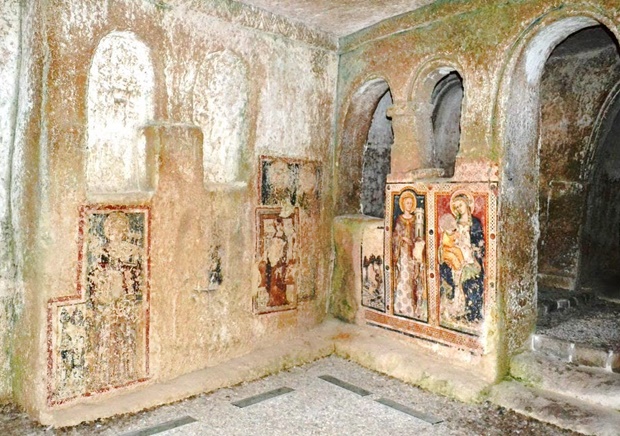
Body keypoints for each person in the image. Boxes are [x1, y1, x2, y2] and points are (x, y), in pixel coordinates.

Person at [439, 190, 484, 323]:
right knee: (456, 282)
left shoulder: (474, 223)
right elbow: (448, 238)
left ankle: (472, 312)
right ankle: (458, 310)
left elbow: (478, 241)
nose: (458, 208)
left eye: (460, 205)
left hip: (470, 256)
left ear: (467, 204)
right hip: (457, 256)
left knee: (471, 282)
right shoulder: (455, 223)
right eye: (456, 206)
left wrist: (476, 255)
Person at [392, 190, 425, 318]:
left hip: (413, 252)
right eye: (407, 203)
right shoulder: (399, 219)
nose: (409, 205)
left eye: (411, 203)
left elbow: (419, 234)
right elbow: (395, 236)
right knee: (404, 277)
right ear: (403, 204)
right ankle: (401, 306)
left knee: (413, 278)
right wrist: (402, 239)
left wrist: (416, 241)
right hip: (403, 253)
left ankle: (413, 307)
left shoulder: (416, 219)